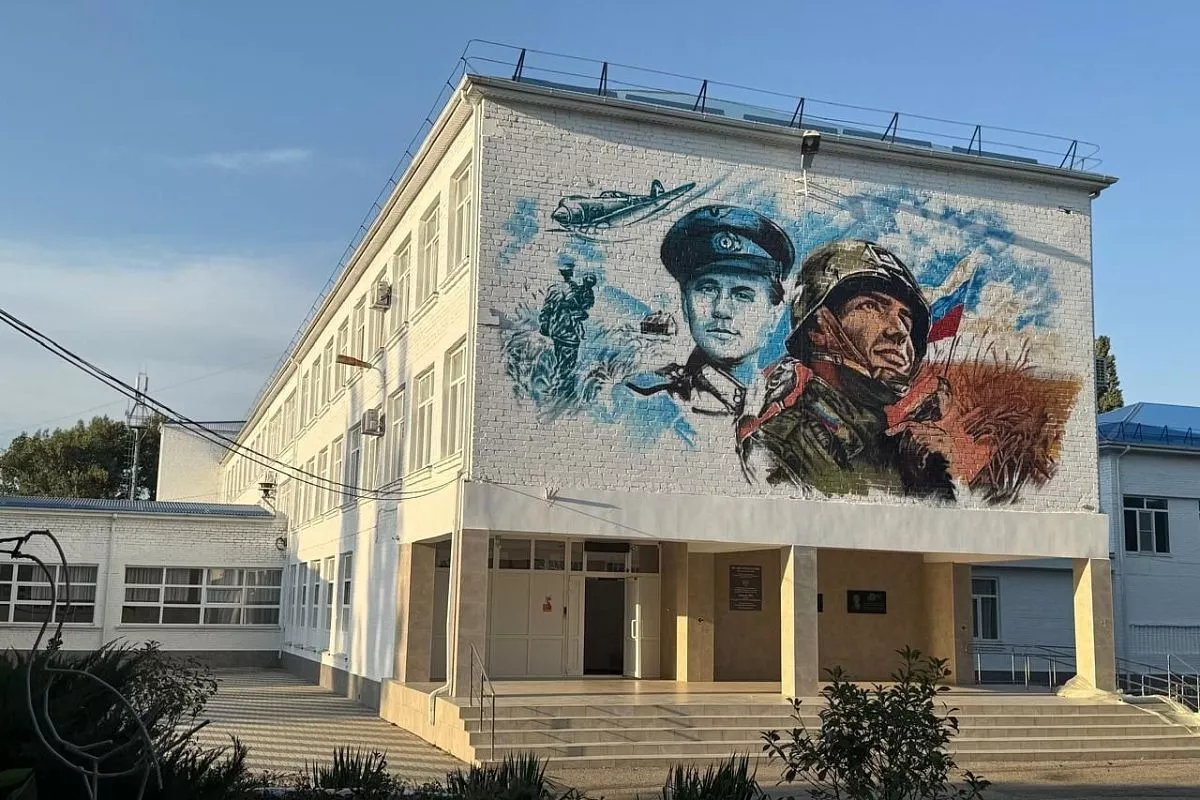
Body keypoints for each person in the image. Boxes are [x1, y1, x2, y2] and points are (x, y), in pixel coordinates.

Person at [737, 239, 955, 499]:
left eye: (905, 319)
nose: (899, 331)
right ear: (818, 328)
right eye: (870, 306)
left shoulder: (901, 454)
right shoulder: (777, 450)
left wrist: (928, 479)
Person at [624, 205, 796, 429]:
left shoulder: (794, 404)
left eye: (742, 295)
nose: (721, 309)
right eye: (707, 289)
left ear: (775, 314)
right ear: (685, 305)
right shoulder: (648, 403)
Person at [538, 262, 597, 393]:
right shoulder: (574, 290)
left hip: (557, 331)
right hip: (569, 332)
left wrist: (545, 325)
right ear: (570, 272)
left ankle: (558, 387)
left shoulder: (555, 288)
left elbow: (546, 310)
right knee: (567, 362)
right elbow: (582, 308)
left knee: (561, 360)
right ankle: (559, 389)